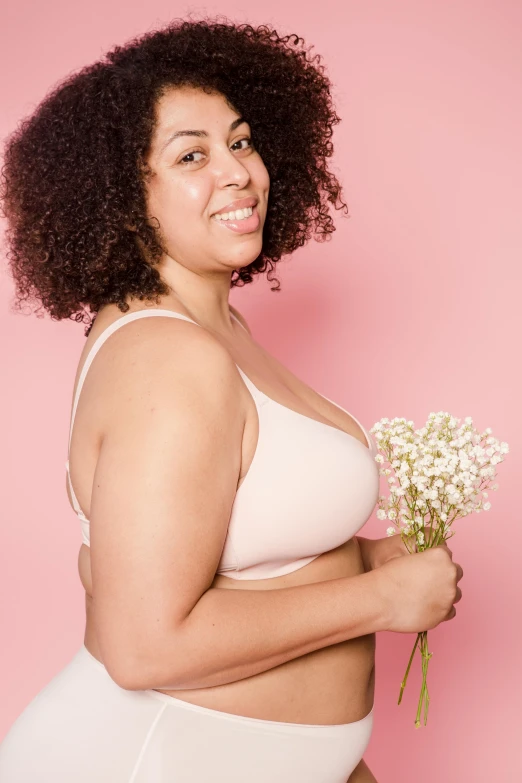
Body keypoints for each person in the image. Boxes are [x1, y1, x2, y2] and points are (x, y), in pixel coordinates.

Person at [0, 17, 463, 782]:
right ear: (123, 196)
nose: (239, 172)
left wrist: (370, 562)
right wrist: (380, 599)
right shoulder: (170, 358)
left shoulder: (216, 330)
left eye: (241, 142)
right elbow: (142, 642)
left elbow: (236, 558)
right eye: (192, 155)